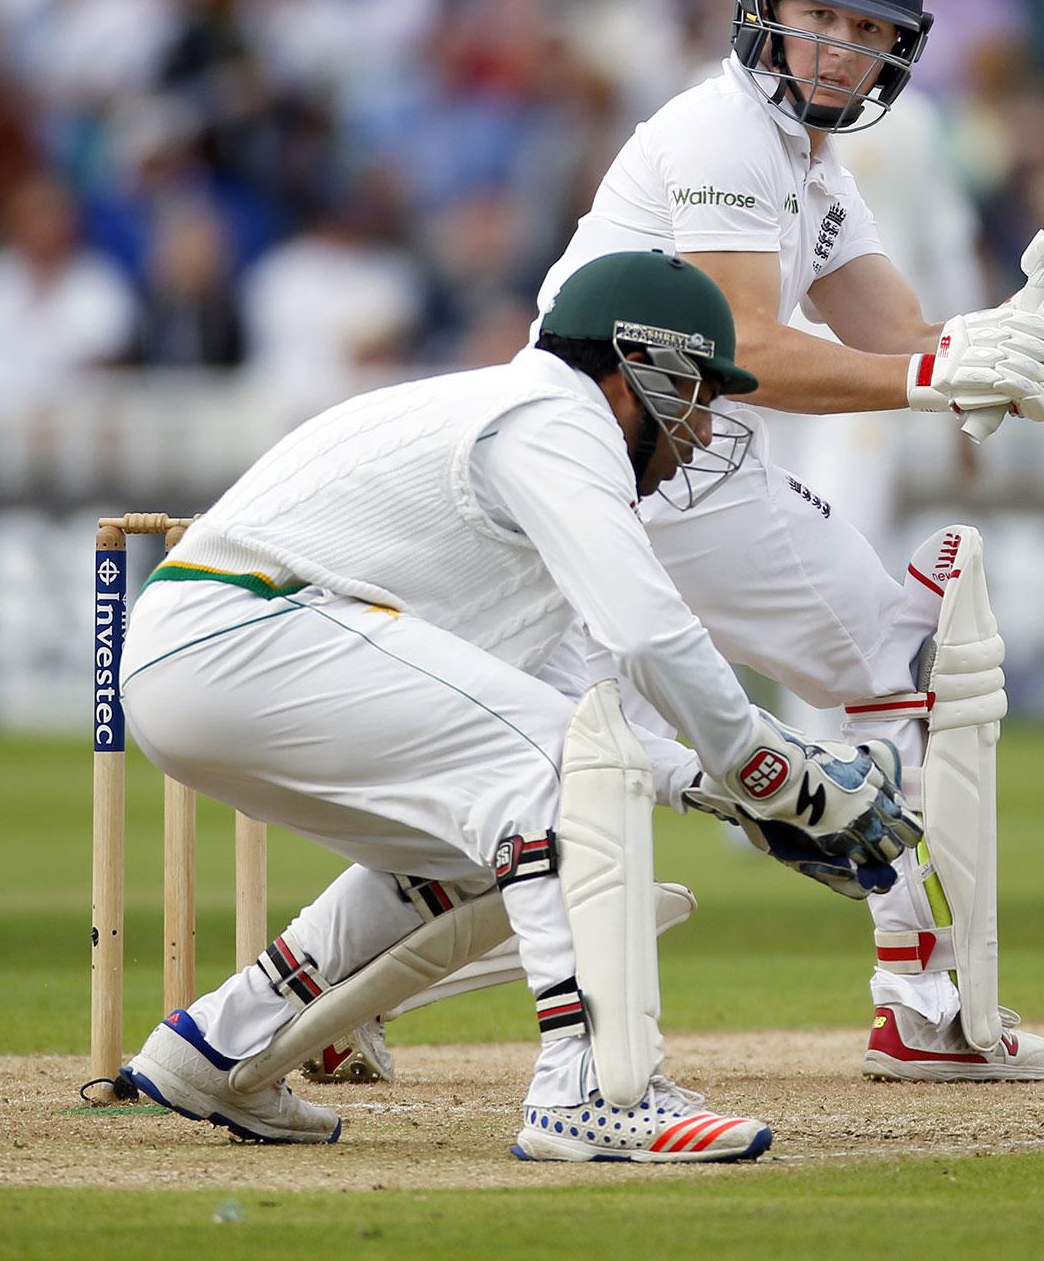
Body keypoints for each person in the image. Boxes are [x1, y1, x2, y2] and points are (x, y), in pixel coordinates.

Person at [346, 0, 1044, 1083]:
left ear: (897, 52)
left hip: (627, 473)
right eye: (816, 17)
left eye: (864, 31)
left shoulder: (811, 169)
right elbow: (757, 351)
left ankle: (310, 1001)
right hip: (643, 466)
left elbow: (903, 338)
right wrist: (948, 371)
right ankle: (920, 1004)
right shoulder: (721, 136)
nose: (834, 49)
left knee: (544, 762)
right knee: (908, 666)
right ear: (762, 11)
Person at [113, 251, 922, 1160]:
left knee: (478, 844)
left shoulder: (530, 451)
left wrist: (717, 785)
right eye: (695, 394)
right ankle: (592, 1086)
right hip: (245, 629)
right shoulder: (549, 421)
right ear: (633, 373)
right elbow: (650, 635)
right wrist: (778, 778)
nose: (701, 429)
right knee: (560, 778)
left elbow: (593, 700)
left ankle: (224, 1042)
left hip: (214, 653)